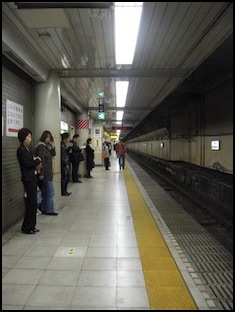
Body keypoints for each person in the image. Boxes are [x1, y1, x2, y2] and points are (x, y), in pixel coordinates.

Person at [16, 127, 42, 234]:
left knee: (33, 203)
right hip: (28, 179)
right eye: (29, 137)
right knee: (31, 203)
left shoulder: (28, 149)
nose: (30, 139)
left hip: (33, 178)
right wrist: (37, 161)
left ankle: (31, 226)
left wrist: (34, 160)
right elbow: (27, 164)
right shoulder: (21, 150)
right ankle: (27, 227)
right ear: (23, 138)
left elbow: (31, 161)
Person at [35, 130, 58, 215]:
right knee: (50, 192)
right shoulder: (41, 146)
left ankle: (45, 208)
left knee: (45, 192)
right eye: (48, 137)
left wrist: (52, 146)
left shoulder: (45, 147)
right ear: (45, 137)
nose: (49, 139)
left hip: (47, 173)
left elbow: (53, 154)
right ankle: (49, 209)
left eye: (50, 138)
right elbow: (41, 161)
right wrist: (41, 173)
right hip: (46, 173)